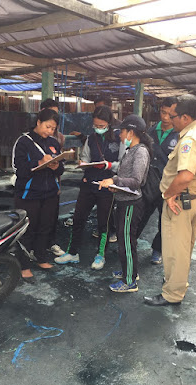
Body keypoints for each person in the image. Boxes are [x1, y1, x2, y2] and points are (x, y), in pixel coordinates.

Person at [144, 94, 196, 306]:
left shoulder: (189, 139)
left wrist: (169, 195)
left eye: (174, 116)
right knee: (184, 247)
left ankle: (172, 293)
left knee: (174, 250)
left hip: (180, 200)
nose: (169, 119)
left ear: (186, 117)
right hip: (194, 198)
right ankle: (177, 283)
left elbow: (186, 175)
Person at [54, 106, 119, 270]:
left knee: (103, 222)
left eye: (102, 125)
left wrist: (109, 165)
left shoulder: (119, 139)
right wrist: (82, 164)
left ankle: (100, 255)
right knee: (78, 218)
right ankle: (72, 252)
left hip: (107, 185)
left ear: (109, 123)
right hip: (88, 183)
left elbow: (124, 163)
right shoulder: (91, 138)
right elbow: (85, 158)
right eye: (96, 125)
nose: (98, 128)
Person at [99, 114, 152, 292]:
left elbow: (136, 180)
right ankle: (128, 271)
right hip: (123, 201)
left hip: (131, 204)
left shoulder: (140, 151)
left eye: (122, 132)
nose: (120, 136)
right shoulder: (132, 150)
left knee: (127, 242)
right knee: (123, 240)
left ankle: (130, 281)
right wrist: (117, 185)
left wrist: (114, 181)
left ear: (131, 132)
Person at [12, 108, 64, 283]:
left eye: (53, 129)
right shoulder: (24, 142)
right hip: (29, 194)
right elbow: (19, 169)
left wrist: (57, 166)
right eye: (48, 126)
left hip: (49, 193)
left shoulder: (54, 143)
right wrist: (39, 163)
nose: (50, 131)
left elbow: (61, 168)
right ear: (38, 122)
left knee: (45, 227)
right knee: (27, 230)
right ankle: (24, 266)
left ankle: (41, 257)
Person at [136, 97, 178, 264]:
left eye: (170, 114)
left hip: (168, 185)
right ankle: (129, 244)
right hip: (148, 182)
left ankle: (157, 249)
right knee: (140, 214)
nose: (165, 117)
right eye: (163, 112)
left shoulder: (180, 134)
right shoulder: (151, 131)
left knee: (165, 219)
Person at [40, 98, 65, 257]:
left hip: (53, 183)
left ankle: (50, 243)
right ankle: (34, 248)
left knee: (52, 216)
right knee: (37, 217)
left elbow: (60, 161)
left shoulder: (59, 137)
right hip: (36, 185)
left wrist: (58, 182)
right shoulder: (29, 137)